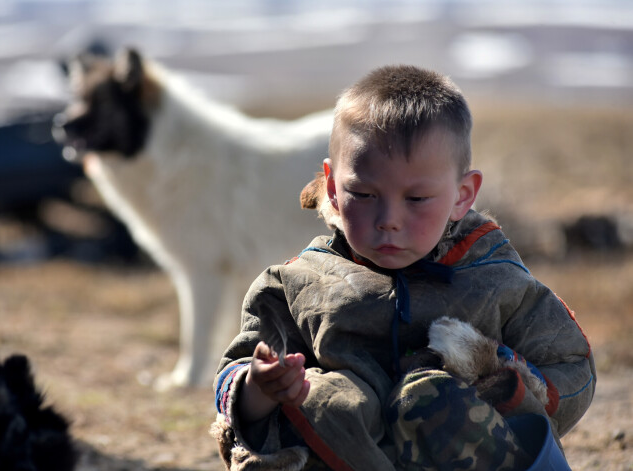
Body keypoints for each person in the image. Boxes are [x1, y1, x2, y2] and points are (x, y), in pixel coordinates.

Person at [211, 65, 595, 471]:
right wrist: (259, 388)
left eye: (416, 199)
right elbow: (232, 372)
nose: (388, 219)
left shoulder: (497, 277)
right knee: (326, 400)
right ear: (332, 188)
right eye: (363, 194)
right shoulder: (294, 284)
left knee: (429, 397)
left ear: (462, 196)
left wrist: (496, 369)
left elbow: (571, 369)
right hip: (348, 457)